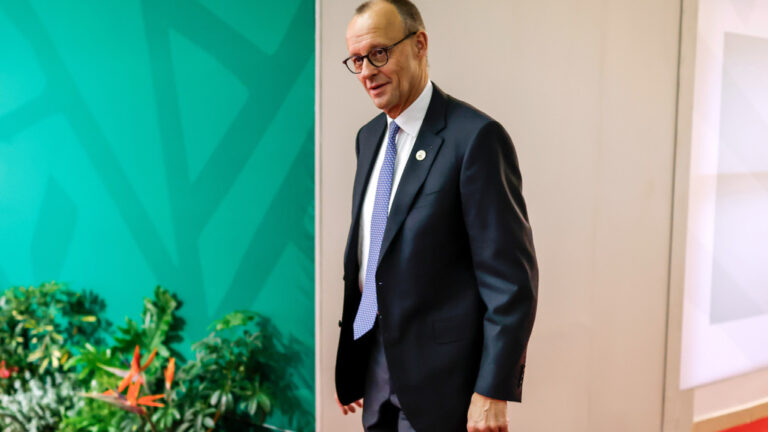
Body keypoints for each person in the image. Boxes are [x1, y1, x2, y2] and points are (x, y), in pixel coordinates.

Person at [334, 1, 538, 431]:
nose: (367, 71)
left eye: (378, 53)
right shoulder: (368, 139)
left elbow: (510, 282)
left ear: (419, 44)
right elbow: (372, 257)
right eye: (357, 60)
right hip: (376, 372)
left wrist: (493, 389)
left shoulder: (475, 139)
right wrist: (355, 359)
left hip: (444, 386)